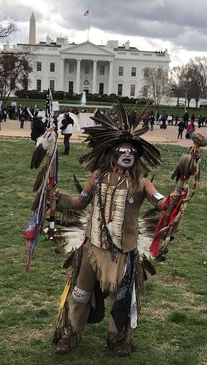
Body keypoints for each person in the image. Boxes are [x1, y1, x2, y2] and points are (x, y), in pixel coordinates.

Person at [51, 104, 172, 356]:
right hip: (91, 249)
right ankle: (70, 334)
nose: (126, 154)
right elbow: (79, 202)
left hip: (122, 254)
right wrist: (58, 197)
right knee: (80, 293)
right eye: (122, 150)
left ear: (136, 156)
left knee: (121, 299)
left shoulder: (142, 182)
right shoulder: (97, 176)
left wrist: (175, 198)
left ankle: (117, 339)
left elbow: (161, 203)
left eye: (131, 151)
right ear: (112, 153)